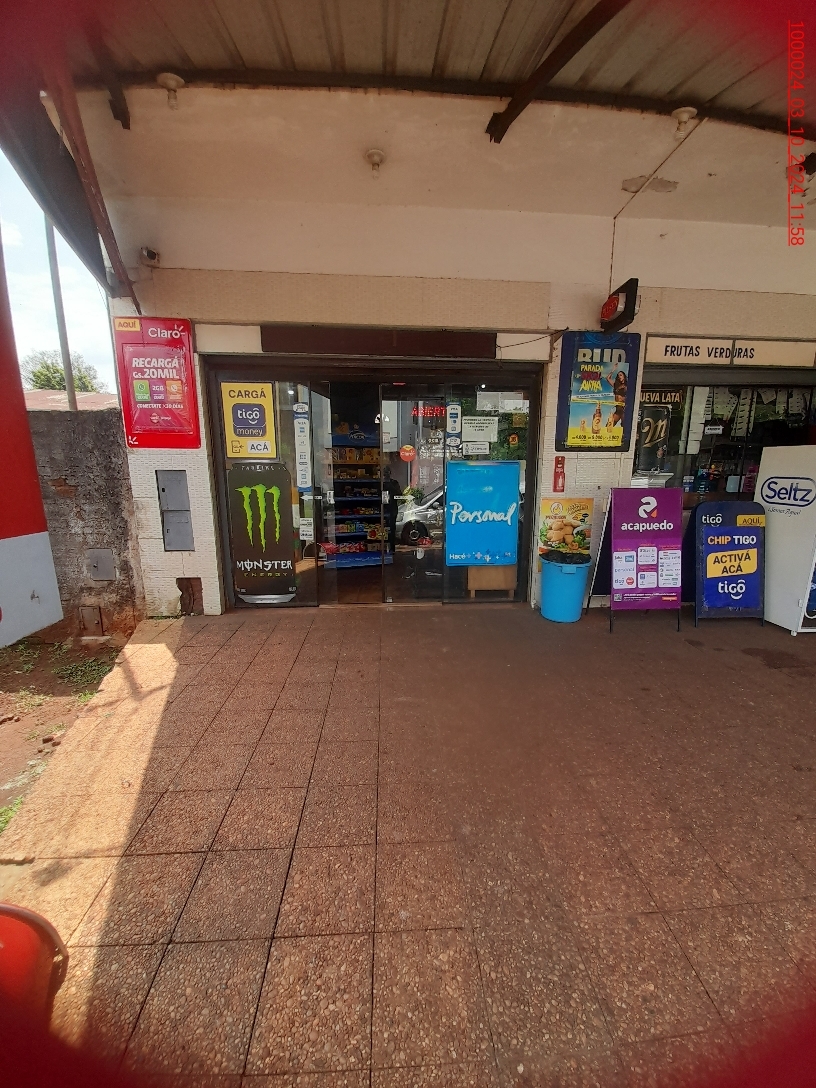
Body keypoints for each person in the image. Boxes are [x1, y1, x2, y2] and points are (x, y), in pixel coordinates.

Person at [382, 460, 402, 549]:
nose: (386, 474)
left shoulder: (394, 483)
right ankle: (385, 546)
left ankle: (392, 546)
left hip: (392, 508)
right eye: (385, 472)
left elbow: (399, 494)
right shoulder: (381, 483)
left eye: (387, 472)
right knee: (382, 528)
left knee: (392, 528)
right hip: (383, 508)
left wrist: (390, 487)